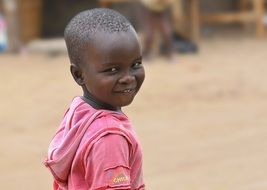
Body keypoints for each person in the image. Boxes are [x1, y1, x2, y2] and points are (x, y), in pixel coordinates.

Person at [44, 8, 145, 190]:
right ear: (78, 75)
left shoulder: (80, 111)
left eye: (135, 64)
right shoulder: (110, 138)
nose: (128, 77)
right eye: (112, 69)